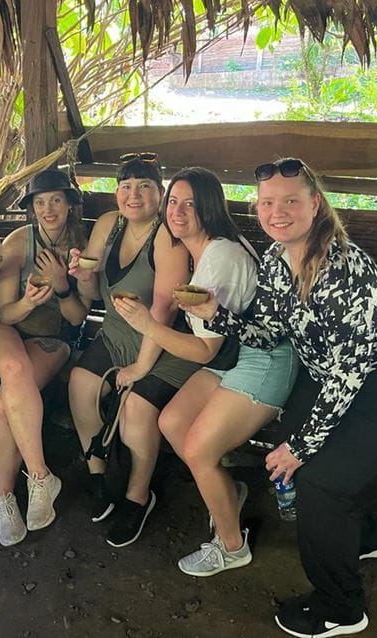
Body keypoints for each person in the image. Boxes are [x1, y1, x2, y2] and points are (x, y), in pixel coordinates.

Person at [185, 158, 377, 637]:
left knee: (317, 477)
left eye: (290, 201)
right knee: (303, 445)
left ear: (315, 204)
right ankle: (365, 536)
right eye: (267, 203)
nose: (276, 212)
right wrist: (215, 313)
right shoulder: (276, 264)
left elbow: (351, 371)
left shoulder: (343, 268)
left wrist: (301, 447)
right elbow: (266, 336)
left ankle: (340, 607)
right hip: (338, 380)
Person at [113, 167, 299, 576]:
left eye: (191, 204)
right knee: (172, 421)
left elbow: (201, 350)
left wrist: (147, 325)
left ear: (209, 209)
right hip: (232, 355)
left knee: (197, 448)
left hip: (263, 360)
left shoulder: (220, 258)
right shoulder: (202, 251)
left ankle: (232, 546)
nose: (178, 212)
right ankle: (231, 492)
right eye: (173, 202)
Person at [67, 153, 199, 548]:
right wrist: (83, 277)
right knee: (80, 383)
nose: (134, 195)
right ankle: (97, 473)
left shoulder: (167, 236)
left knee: (136, 412)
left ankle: (138, 495)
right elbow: (90, 294)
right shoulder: (108, 225)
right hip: (115, 333)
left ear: (160, 194)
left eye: (145, 187)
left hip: (165, 342)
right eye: (125, 187)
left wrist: (141, 369)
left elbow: (163, 309)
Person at [0, 169, 90, 546]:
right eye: (39, 202)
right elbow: (5, 312)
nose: (48, 209)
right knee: (12, 366)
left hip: (50, 338)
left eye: (56, 199)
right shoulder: (18, 243)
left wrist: (60, 285)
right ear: (31, 209)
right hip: (2, 330)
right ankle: (40, 477)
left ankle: (3, 498)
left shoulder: (83, 246)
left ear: (70, 203)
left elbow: (76, 317)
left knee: (4, 402)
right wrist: (27, 302)